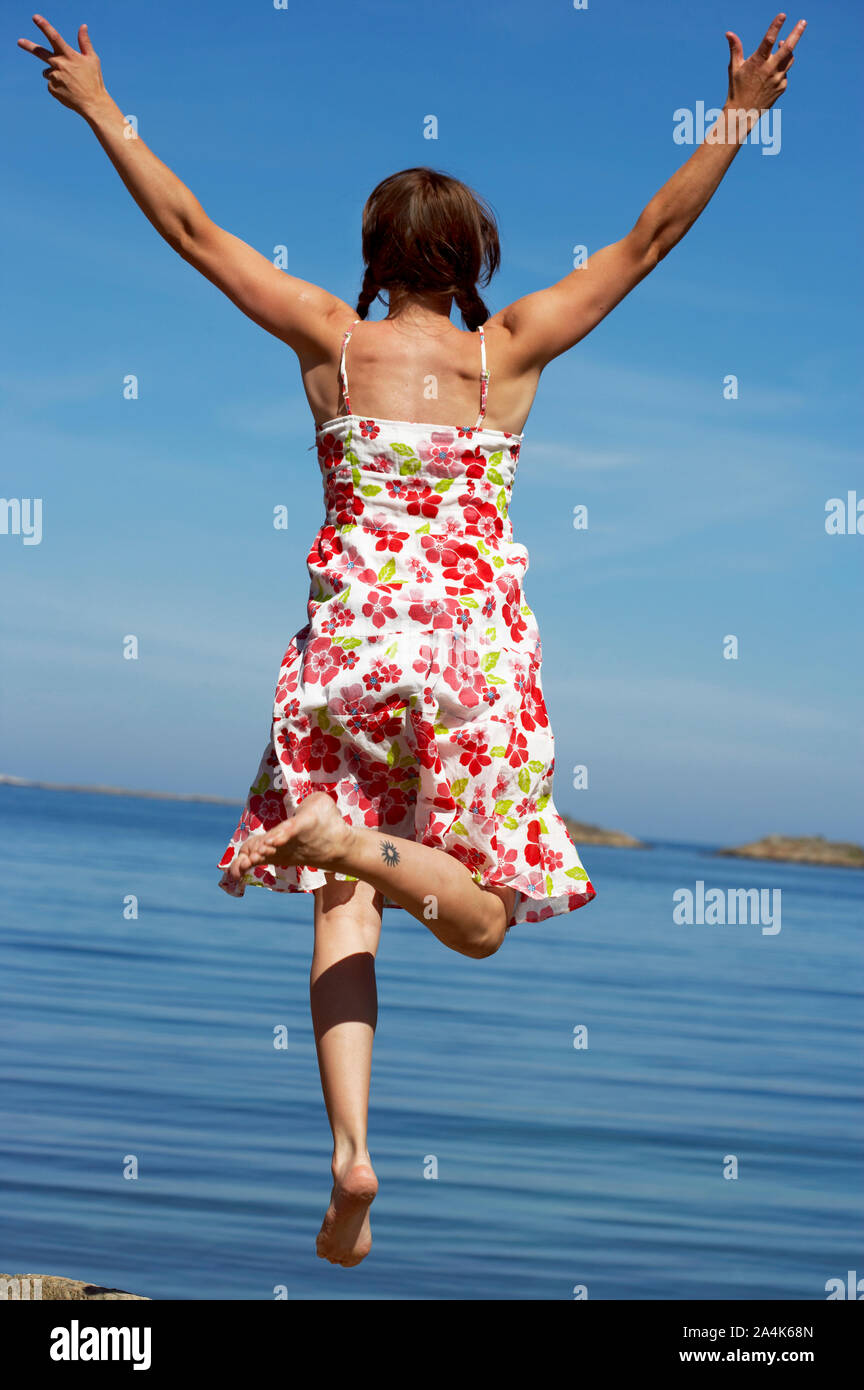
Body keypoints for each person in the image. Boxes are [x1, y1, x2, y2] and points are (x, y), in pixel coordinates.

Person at [19, 10, 806, 1268]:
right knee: (487, 914)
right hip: (472, 659)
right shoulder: (514, 352)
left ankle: (349, 1148)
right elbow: (653, 239)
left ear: (376, 257)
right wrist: (743, 114)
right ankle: (369, 854)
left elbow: (190, 231)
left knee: (341, 910)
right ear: (475, 254)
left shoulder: (333, 338)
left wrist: (101, 105)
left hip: (348, 646)